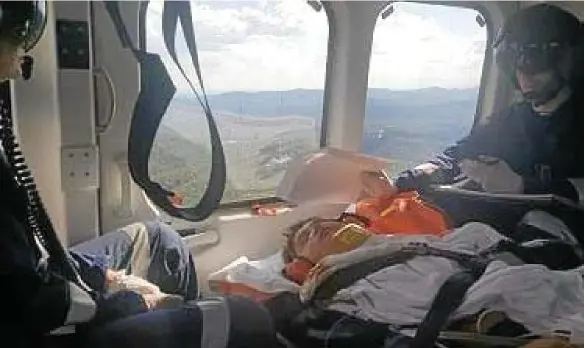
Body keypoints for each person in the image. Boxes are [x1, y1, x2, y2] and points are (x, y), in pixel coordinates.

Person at [0, 2, 277, 348]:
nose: (21, 60)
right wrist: (131, 302)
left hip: (40, 284)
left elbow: (26, 262)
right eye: (16, 36)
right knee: (248, 318)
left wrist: (103, 276)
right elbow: (29, 305)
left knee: (163, 241)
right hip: (37, 328)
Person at [384, 4, 583, 202]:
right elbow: (458, 156)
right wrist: (404, 181)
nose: (525, 73)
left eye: (537, 62)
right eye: (516, 63)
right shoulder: (508, 122)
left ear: (569, 61)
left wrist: (522, 186)